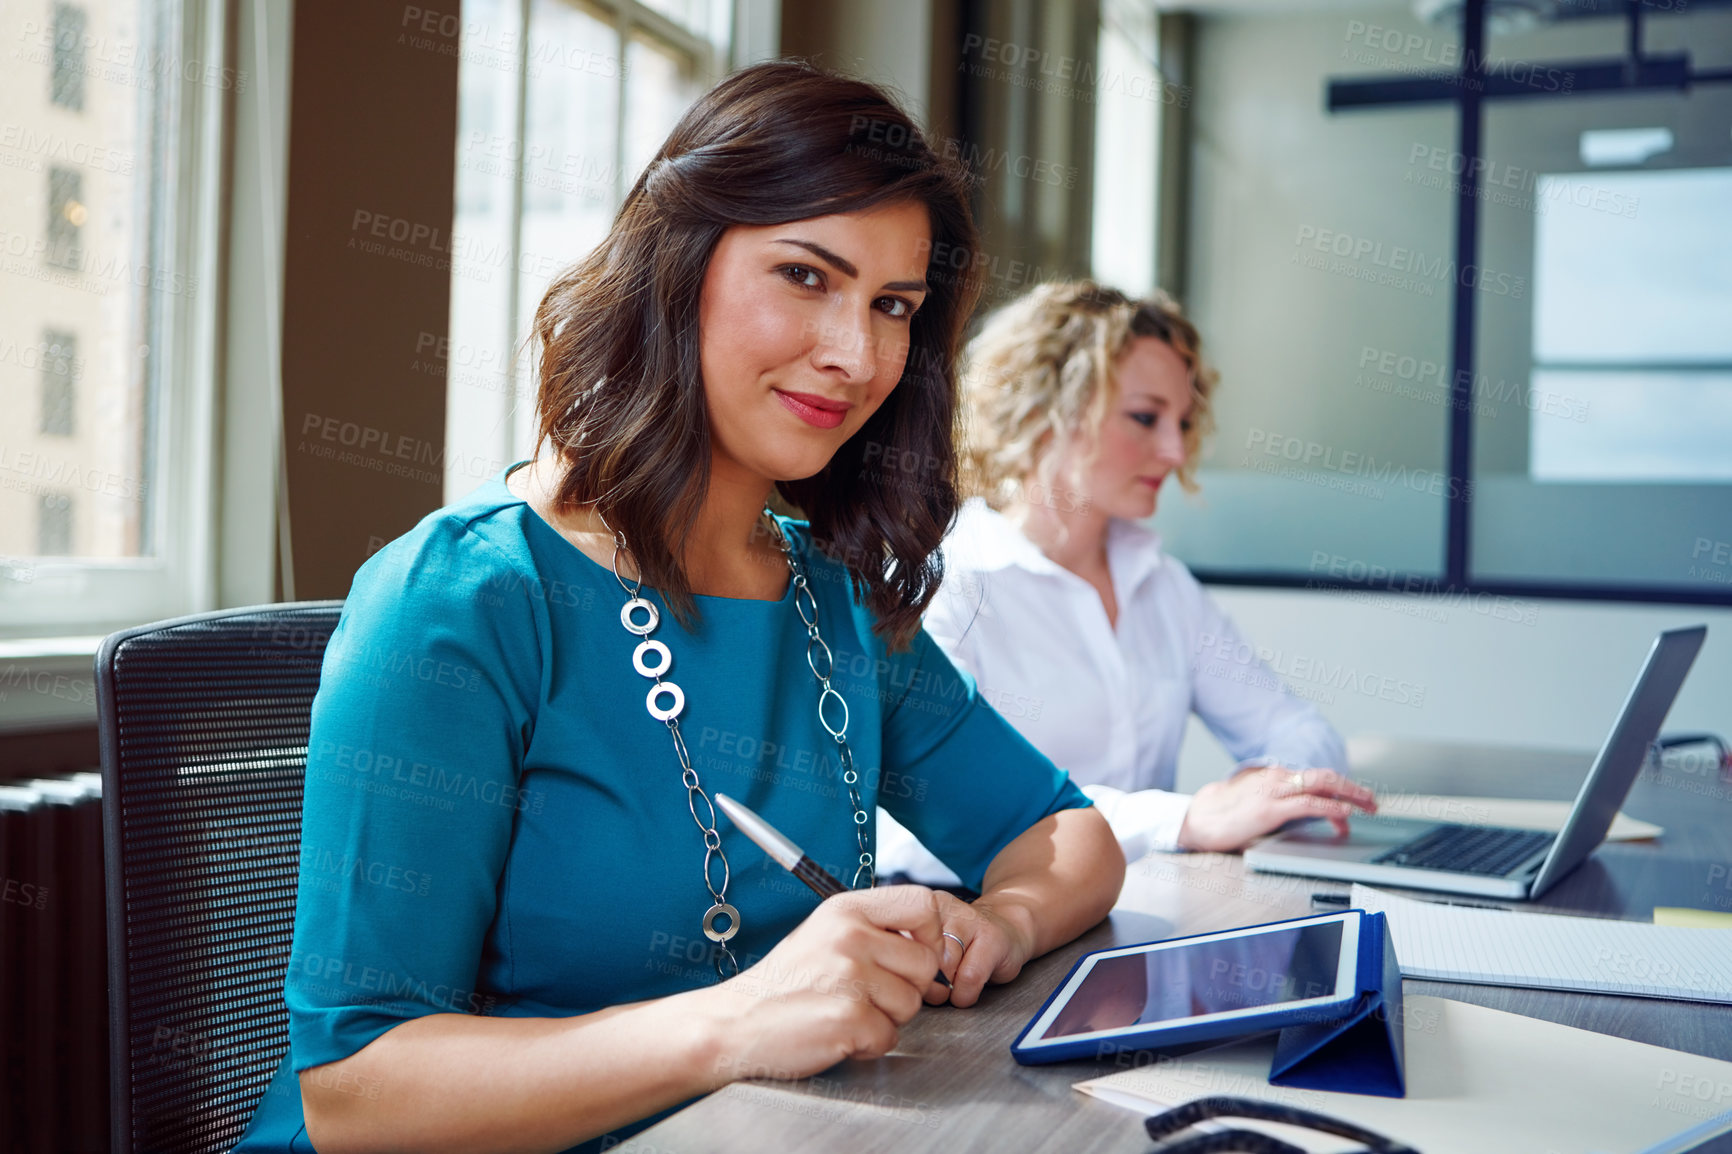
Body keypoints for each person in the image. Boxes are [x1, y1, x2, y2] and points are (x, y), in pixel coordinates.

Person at [232, 64, 1123, 1154]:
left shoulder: (827, 593)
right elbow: (359, 1091)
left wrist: (1001, 923)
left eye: (893, 306)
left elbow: (1066, 832)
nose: (856, 353)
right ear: (675, 269)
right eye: (805, 275)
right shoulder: (461, 602)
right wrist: (735, 1023)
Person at [877, 281, 1375, 887]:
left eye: (1183, 422)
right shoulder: (945, 585)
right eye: (1144, 417)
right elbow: (911, 831)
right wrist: (1184, 818)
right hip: (991, 930)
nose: (1173, 450)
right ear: (1041, 411)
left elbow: (1303, 733)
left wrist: (1268, 786)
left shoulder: (1162, 586)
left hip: (1137, 913)